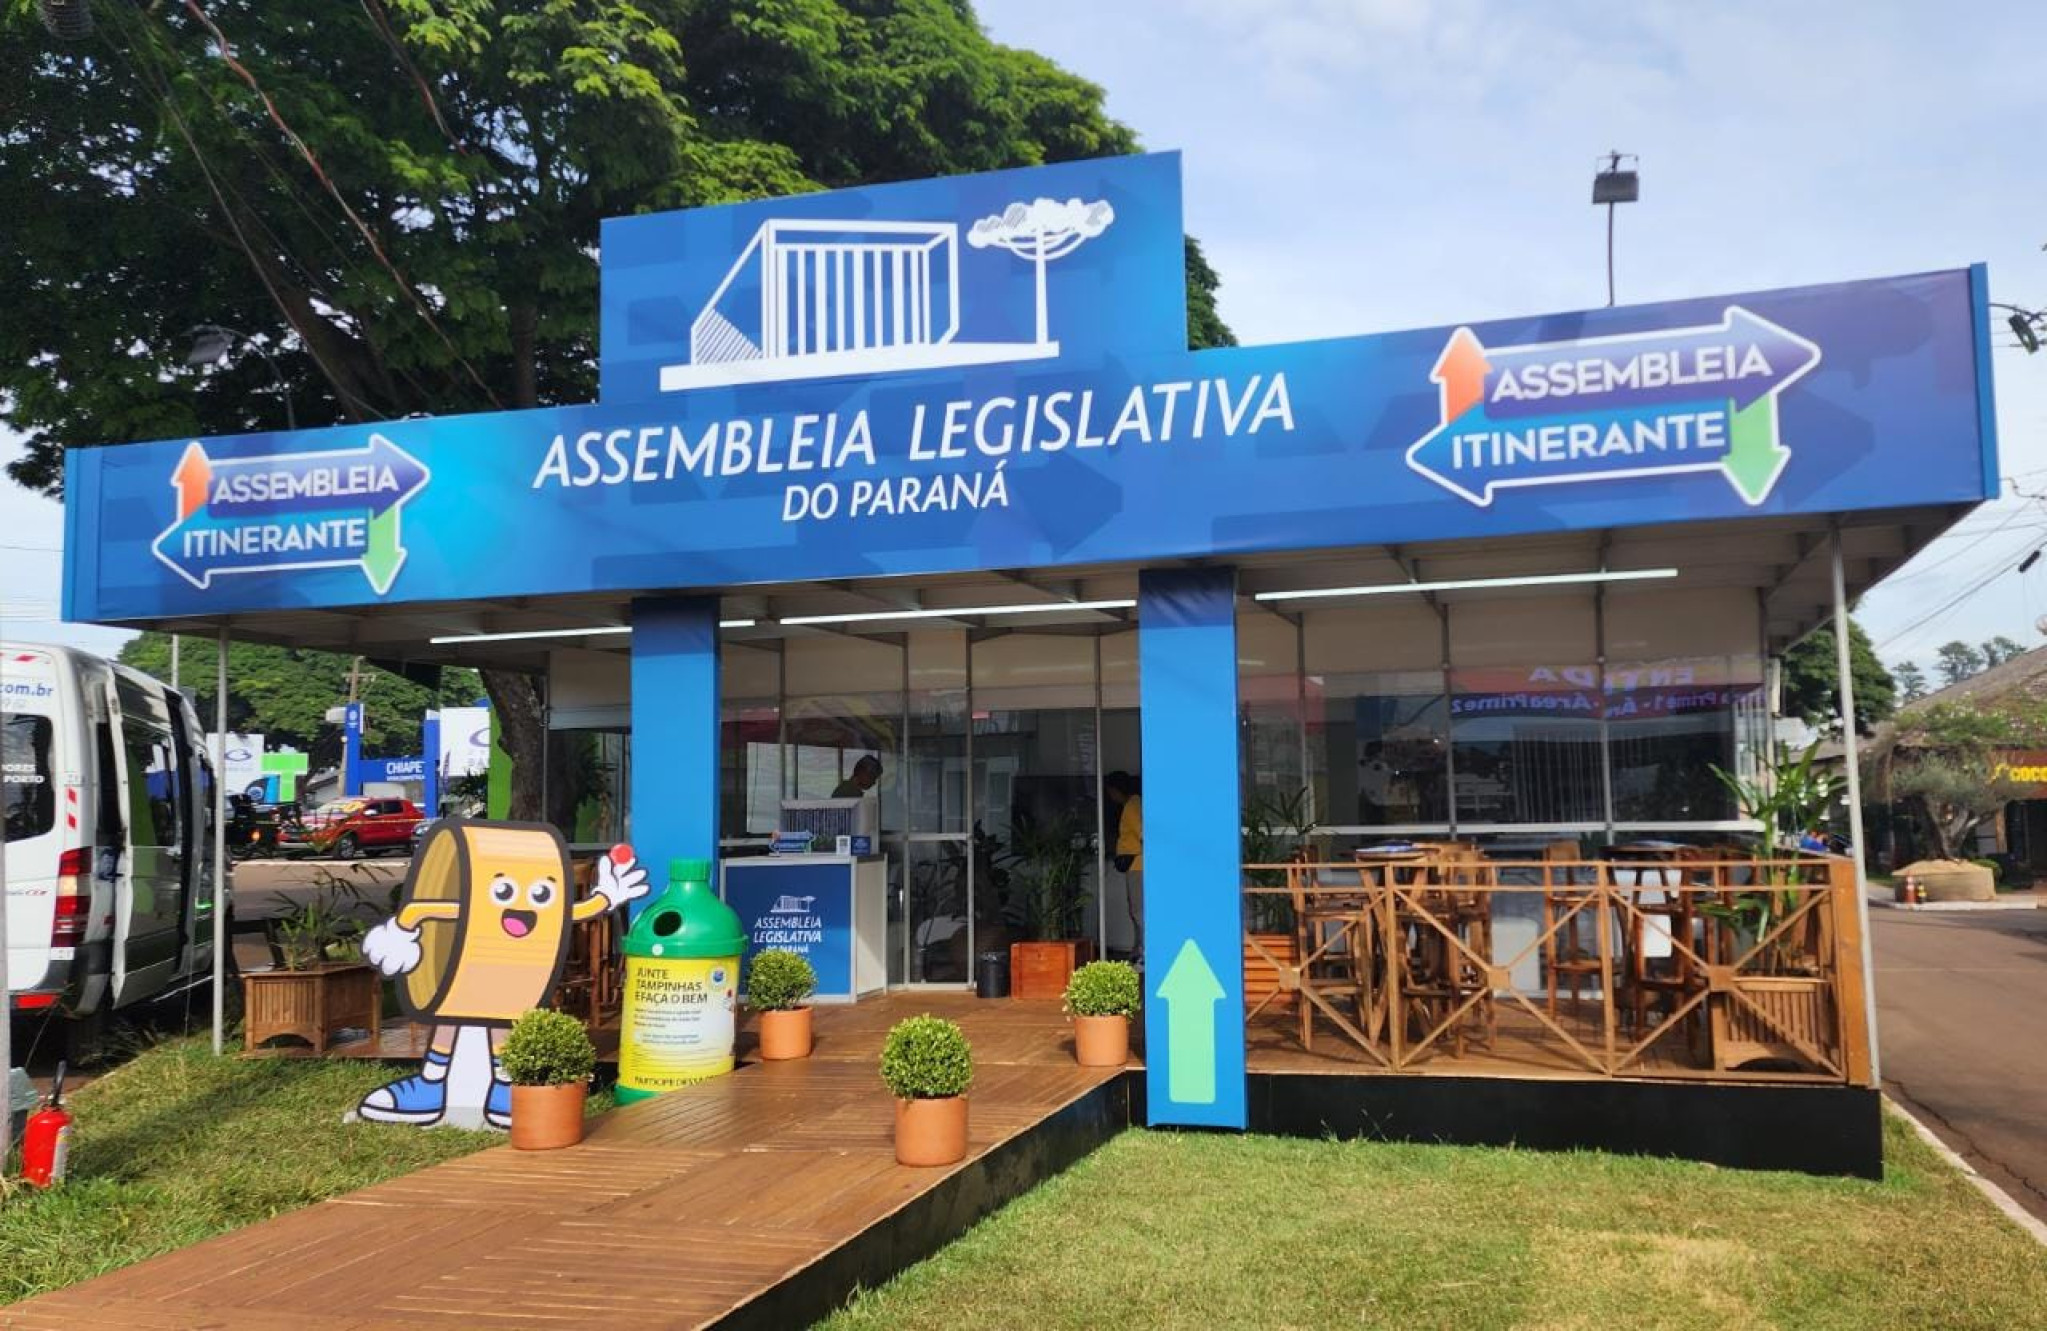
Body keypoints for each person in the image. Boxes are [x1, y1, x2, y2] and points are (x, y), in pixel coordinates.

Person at [1104, 771, 1143, 960]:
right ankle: (1139, 950)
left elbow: (1142, 832)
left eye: (1111, 791)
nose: (1111, 796)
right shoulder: (1134, 803)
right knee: (1136, 910)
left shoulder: (1133, 805)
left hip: (1138, 865)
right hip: (1135, 864)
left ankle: (1144, 953)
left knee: (1138, 911)